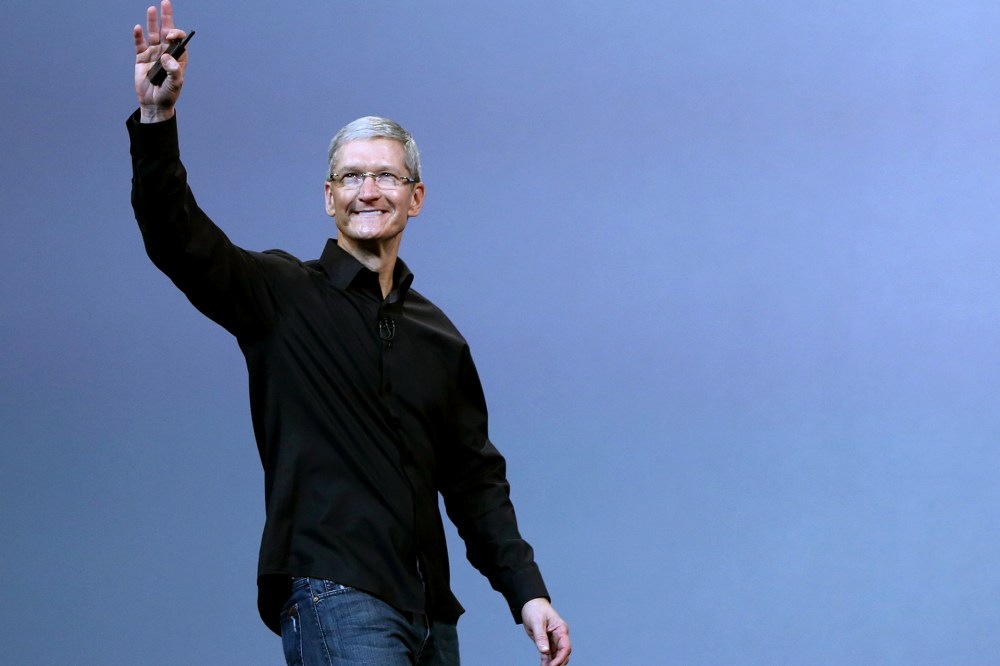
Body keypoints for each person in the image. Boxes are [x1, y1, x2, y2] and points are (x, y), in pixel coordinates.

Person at [128, 2, 571, 665]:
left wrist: (527, 593)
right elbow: (179, 240)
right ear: (328, 197)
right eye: (352, 177)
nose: (369, 190)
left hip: (430, 616)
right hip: (336, 592)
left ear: (415, 197)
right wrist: (158, 119)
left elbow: (475, 480)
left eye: (386, 175)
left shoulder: (438, 338)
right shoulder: (281, 295)